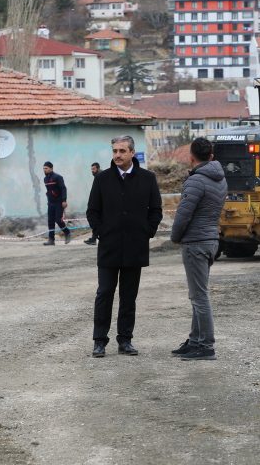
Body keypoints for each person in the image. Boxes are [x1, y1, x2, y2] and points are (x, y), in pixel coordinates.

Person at [86, 135, 163, 358]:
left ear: (131, 153)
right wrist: (101, 232)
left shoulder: (147, 178)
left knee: (129, 296)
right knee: (105, 293)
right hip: (109, 247)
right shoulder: (102, 179)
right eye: (114, 151)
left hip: (135, 247)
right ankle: (99, 341)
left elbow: (155, 210)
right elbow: (92, 211)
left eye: (121, 151)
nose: (117, 155)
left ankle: (125, 340)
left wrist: (146, 232)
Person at [169, 137, 227, 361]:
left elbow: (184, 214)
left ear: (191, 156)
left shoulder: (196, 181)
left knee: (199, 296)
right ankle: (195, 340)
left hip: (196, 242)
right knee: (197, 294)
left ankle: (206, 346)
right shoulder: (220, 179)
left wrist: (175, 237)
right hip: (211, 239)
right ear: (211, 156)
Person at [42, 161, 71, 246]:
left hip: (59, 202)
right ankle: (51, 240)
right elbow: (49, 191)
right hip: (51, 203)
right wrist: (48, 199)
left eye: (46, 168)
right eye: (43, 168)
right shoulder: (45, 179)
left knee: (58, 220)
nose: (44, 170)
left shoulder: (58, 177)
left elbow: (63, 189)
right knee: (50, 221)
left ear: (51, 168)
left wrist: (64, 200)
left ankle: (67, 232)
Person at [84, 162, 101, 245]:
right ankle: (94, 238)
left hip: (99, 203)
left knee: (92, 217)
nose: (92, 171)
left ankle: (95, 237)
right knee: (96, 218)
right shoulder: (98, 176)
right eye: (91, 169)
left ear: (98, 168)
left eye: (94, 169)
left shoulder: (100, 176)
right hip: (98, 203)